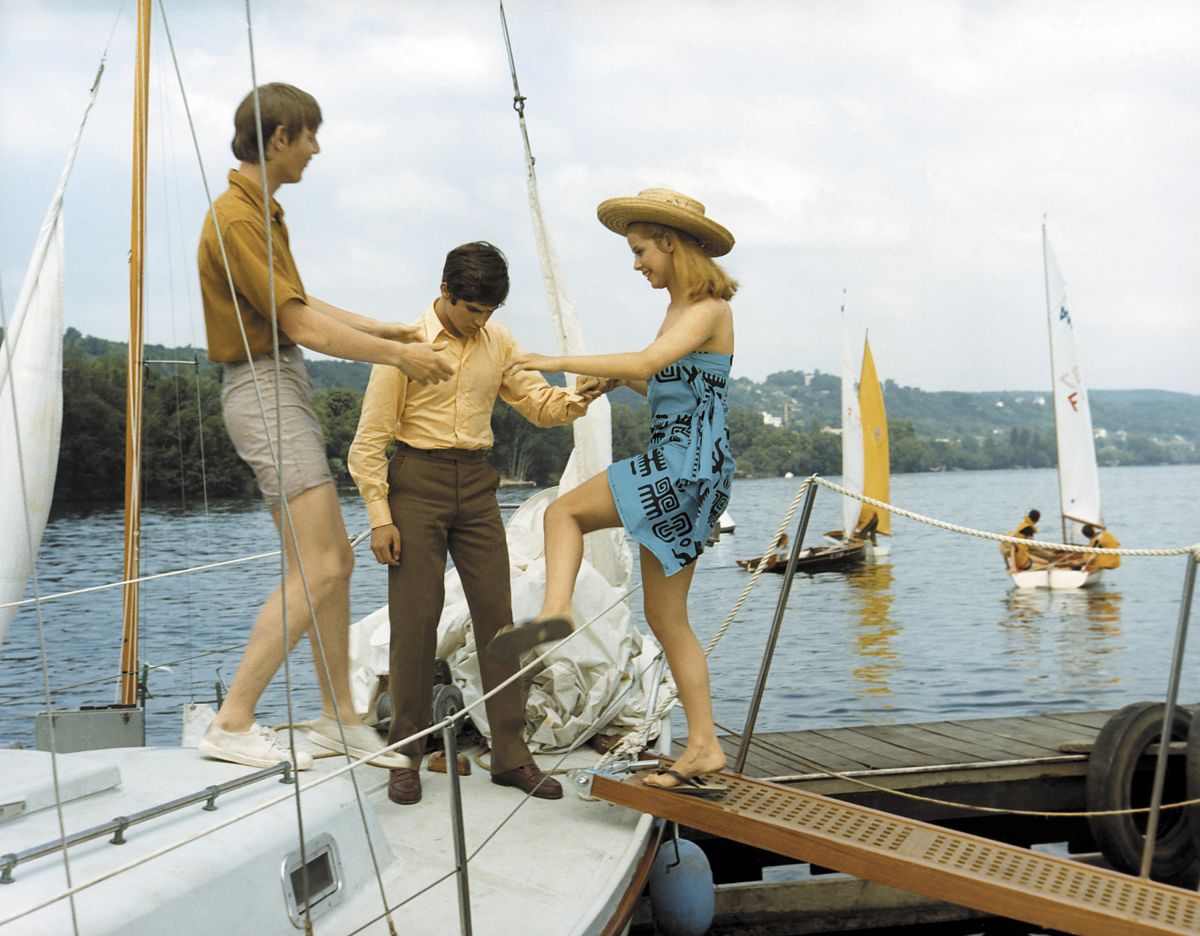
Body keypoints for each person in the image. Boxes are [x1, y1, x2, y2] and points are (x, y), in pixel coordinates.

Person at [196, 83, 453, 771]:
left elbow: (299, 301)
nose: (315, 147)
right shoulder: (238, 218)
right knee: (325, 564)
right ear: (278, 136)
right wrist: (401, 356)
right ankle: (232, 721)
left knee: (330, 563)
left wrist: (381, 328)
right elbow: (300, 325)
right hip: (264, 390)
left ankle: (340, 717)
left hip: (278, 384)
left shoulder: (262, 213)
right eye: (309, 133)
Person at [347, 241, 606, 805]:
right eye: (472, 310)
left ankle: (510, 754)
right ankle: (406, 754)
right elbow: (368, 443)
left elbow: (537, 405)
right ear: (445, 292)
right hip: (415, 482)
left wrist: (578, 398)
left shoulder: (499, 340)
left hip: (477, 484)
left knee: (499, 620)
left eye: (490, 312)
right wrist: (379, 517)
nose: (480, 321)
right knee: (415, 623)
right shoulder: (404, 347)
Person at [498, 188, 736, 793]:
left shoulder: (707, 308)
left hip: (680, 464)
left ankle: (555, 614)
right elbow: (671, 384)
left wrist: (558, 358)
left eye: (640, 251)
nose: (636, 264)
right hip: (696, 467)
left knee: (563, 513)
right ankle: (705, 747)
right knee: (667, 616)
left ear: (669, 243)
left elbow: (650, 362)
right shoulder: (682, 312)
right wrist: (613, 383)